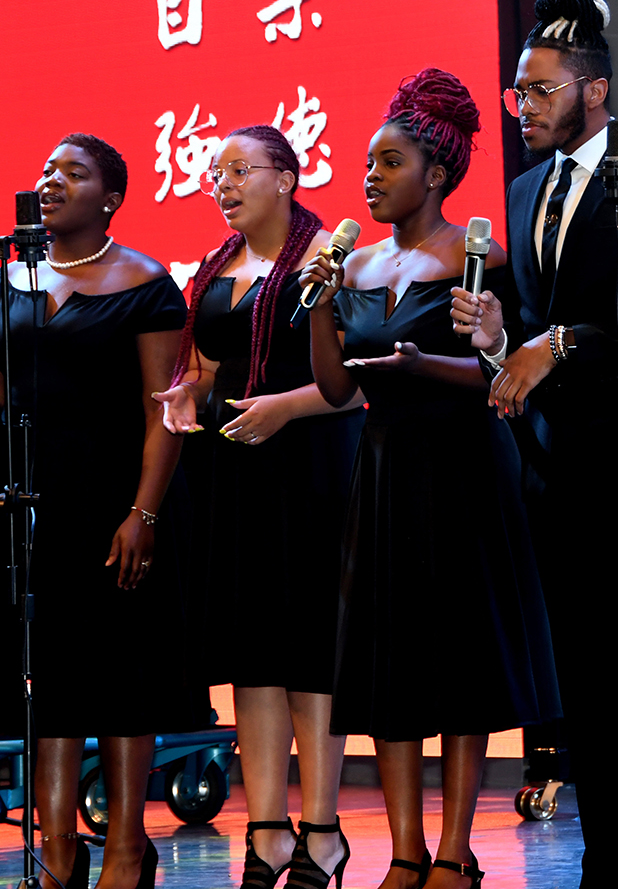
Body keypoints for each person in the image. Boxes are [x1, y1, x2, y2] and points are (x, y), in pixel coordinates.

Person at [450, 0, 618, 887]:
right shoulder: (525, 190)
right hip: (553, 470)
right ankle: (609, 863)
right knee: (585, 689)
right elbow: (528, 329)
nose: (521, 107)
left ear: (594, 91)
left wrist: (557, 343)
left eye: (538, 90)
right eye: (515, 92)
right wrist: (499, 339)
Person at [303, 68, 558, 889]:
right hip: (382, 469)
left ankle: (455, 850)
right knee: (392, 662)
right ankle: (404, 850)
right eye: (367, 163)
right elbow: (340, 390)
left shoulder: (479, 258)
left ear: (436, 174)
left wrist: (428, 361)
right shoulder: (356, 264)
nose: (370, 176)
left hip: (462, 468)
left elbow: (503, 378)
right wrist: (318, 305)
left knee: (460, 659)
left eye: (388, 162)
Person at [0, 133, 194, 889]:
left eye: (71, 174)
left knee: (118, 680)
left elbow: (164, 415)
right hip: (25, 509)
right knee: (41, 682)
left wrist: (143, 513)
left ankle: (123, 851)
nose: (50, 181)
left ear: (110, 197)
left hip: (111, 501)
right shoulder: (3, 282)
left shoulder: (147, 284)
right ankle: (57, 851)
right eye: (46, 169)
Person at [152, 124, 363, 889]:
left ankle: (322, 832)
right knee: (253, 654)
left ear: (287, 176)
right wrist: (189, 392)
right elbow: (210, 363)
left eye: (240, 170)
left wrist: (286, 409)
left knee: (308, 650)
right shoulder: (217, 269)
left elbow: (361, 381)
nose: (223, 185)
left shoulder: (329, 261)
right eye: (216, 174)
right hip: (234, 472)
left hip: (308, 467)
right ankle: (266, 829)